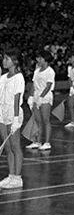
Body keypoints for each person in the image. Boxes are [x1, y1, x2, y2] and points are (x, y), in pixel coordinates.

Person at [0, 51, 25, 189]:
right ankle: (11, 175)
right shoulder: (3, 77)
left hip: (12, 114)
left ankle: (18, 178)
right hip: (2, 114)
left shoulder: (19, 78)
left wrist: (15, 120)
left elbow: (16, 100)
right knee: (8, 147)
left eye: (6, 58)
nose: (4, 61)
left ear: (14, 62)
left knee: (15, 146)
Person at [27, 51, 55, 151]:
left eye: (40, 58)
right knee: (37, 120)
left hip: (45, 97)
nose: (38, 60)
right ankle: (37, 142)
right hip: (36, 96)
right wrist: (31, 97)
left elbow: (48, 86)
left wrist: (41, 98)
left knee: (46, 120)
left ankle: (47, 142)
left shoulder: (50, 71)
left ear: (45, 60)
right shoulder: (37, 70)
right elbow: (33, 85)